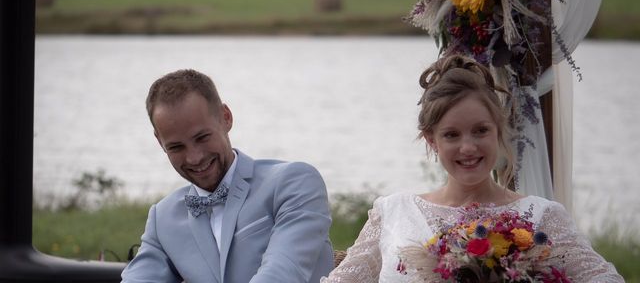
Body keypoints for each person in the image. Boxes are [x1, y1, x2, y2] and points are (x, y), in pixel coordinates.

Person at [322, 54, 623, 282]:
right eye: (452, 135)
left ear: (498, 129)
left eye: (480, 131)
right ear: (432, 140)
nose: (468, 147)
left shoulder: (543, 217)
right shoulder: (393, 212)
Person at [121, 69, 334, 283]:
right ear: (160, 142)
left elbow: (282, 275)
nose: (194, 158)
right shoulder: (163, 218)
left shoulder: (295, 182)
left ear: (226, 118)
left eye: (202, 137)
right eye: (176, 147)